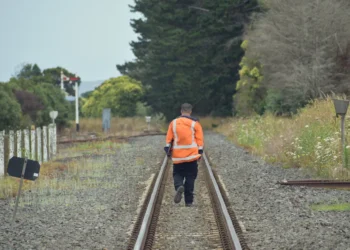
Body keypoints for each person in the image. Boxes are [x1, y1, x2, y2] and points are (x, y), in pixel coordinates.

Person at [164, 103, 204, 207]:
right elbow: (200, 140)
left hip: (178, 156)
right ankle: (189, 202)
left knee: (177, 174)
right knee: (190, 177)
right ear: (190, 111)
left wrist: (168, 151)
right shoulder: (195, 124)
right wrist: (200, 153)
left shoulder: (173, 123)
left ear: (181, 111)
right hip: (191, 156)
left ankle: (179, 187)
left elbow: (168, 140)